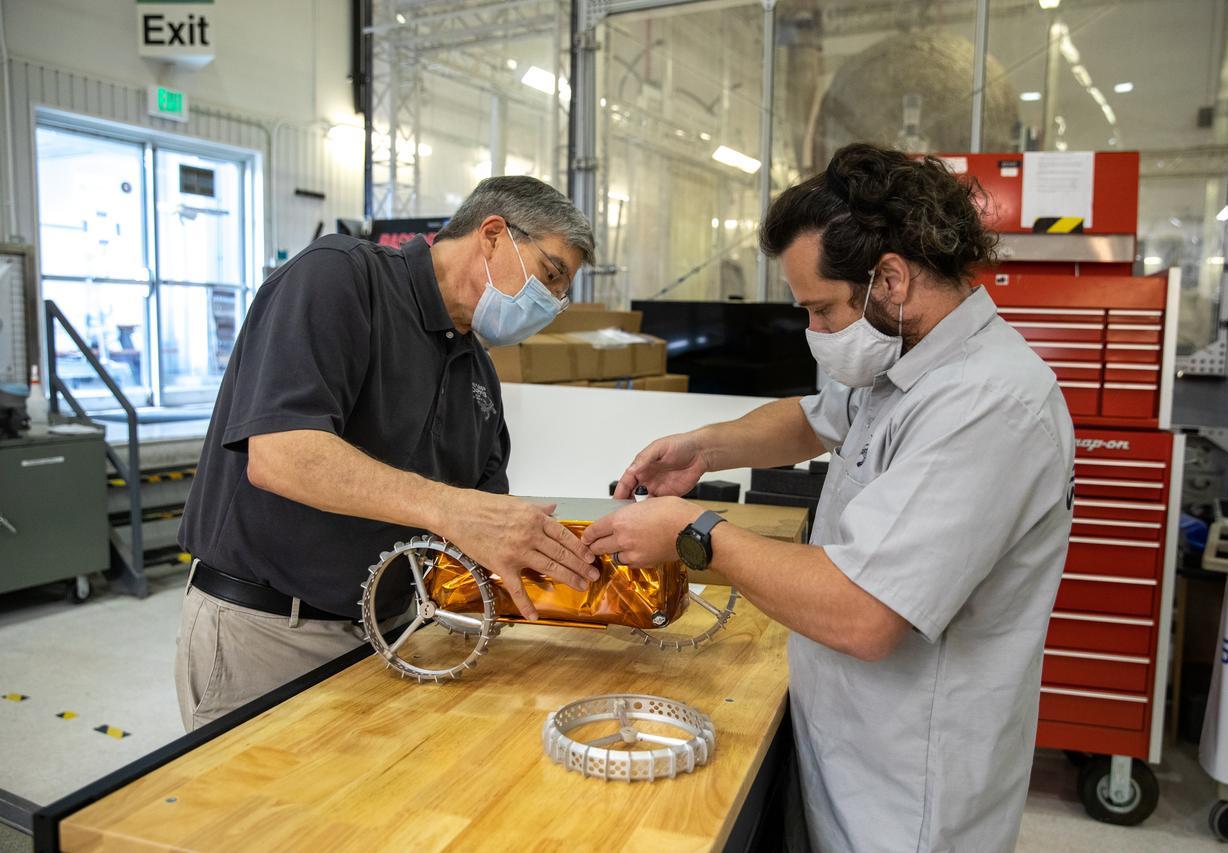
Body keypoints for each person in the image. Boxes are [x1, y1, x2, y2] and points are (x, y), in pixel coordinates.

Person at [583, 144, 1075, 852]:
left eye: (821, 309)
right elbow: (815, 418)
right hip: (848, 742)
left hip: (906, 789)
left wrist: (696, 531)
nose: (813, 332)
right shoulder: (907, 358)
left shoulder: (985, 404)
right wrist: (705, 448)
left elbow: (864, 613)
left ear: (891, 278)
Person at [175, 176, 600, 731]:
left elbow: (479, 530)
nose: (553, 302)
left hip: (395, 636)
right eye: (551, 275)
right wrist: (450, 508)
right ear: (493, 234)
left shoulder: (478, 373)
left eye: (562, 293)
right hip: (269, 632)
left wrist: (593, 575)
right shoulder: (340, 277)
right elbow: (281, 454)